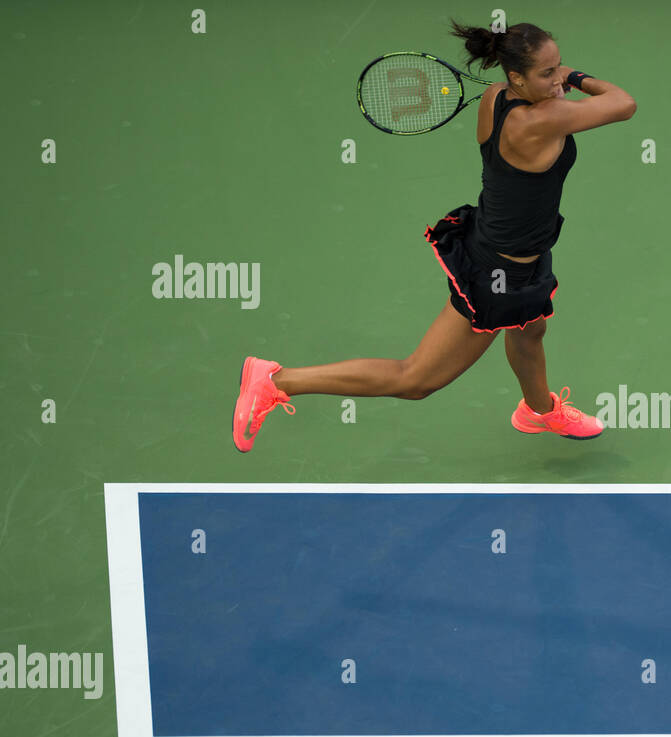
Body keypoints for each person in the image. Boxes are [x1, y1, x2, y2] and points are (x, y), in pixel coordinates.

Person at [232, 21, 636, 452]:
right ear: (516, 77)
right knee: (416, 379)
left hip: (516, 248)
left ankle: (538, 411)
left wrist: (552, 80)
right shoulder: (544, 119)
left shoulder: (495, 97)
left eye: (559, 67)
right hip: (498, 271)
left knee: (529, 330)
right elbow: (624, 104)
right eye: (547, 73)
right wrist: (576, 79)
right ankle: (278, 381)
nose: (558, 79)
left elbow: (557, 101)